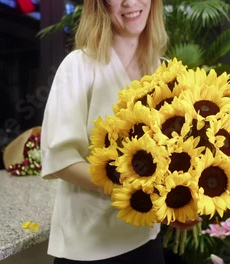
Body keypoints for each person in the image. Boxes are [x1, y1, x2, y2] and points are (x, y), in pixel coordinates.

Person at [40, 0, 200, 263]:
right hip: (88, 246)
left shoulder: (165, 71)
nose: (130, 2)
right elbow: (60, 160)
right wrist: (137, 193)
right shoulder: (78, 66)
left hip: (145, 240)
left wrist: (175, 201)